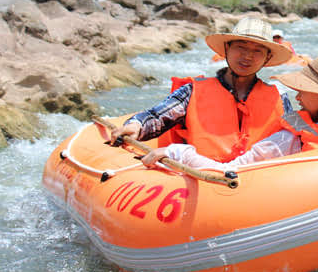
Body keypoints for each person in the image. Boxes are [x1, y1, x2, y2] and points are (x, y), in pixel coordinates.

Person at [141, 54, 318, 169]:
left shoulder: (293, 138)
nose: (296, 93)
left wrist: (179, 153)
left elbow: (229, 173)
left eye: (304, 88)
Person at [108, 17, 294, 163]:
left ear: (267, 57)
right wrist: (136, 126)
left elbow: (296, 138)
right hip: (201, 179)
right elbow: (156, 116)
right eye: (241, 47)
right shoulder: (192, 91)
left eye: (257, 51)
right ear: (226, 49)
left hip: (259, 182)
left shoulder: (280, 97)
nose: (247, 56)